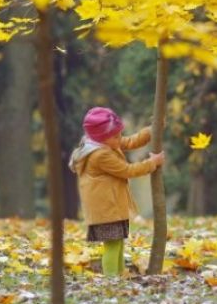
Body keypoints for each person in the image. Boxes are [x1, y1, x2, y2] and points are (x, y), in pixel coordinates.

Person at [69, 106, 165, 277]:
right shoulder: (100, 155)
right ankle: (111, 279)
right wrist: (152, 163)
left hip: (112, 206)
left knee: (118, 242)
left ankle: (119, 274)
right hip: (106, 208)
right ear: (103, 138)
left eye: (119, 133)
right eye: (116, 136)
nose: (120, 138)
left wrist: (152, 130)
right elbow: (127, 170)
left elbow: (130, 141)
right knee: (112, 245)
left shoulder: (106, 143)